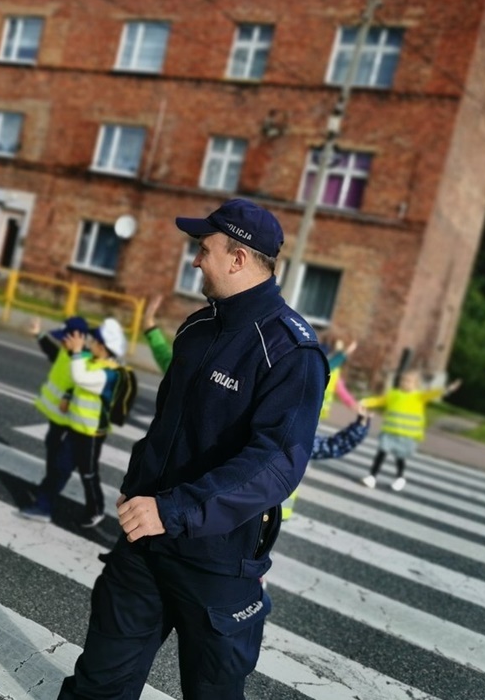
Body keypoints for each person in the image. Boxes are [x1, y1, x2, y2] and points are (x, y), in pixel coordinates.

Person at [58, 198, 328, 699]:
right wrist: (141, 491)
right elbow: (169, 428)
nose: (196, 260)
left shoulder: (292, 352)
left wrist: (176, 509)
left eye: (205, 249)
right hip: (145, 543)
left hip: (217, 561)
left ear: (238, 258)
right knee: (97, 684)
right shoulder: (196, 329)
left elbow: (276, 464)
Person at [143, 293, 367, 521]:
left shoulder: (190, 371)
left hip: (210, 509)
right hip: (250, 519)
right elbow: (332, 445)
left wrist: (150, 326)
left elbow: (164, 354)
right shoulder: (294, 433)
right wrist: (360, 427)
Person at [22, 317, 128, 529]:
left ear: (104, 347)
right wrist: (68, 395)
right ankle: (43, 506)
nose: (90, 344)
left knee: (88, 474)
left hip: (91, 434)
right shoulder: (94, 362)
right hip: (75, 429)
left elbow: (81, 378)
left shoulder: (108, 373)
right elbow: (75, 381)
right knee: (61, 468)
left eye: (95, 342)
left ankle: (96, 509)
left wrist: (78, 350)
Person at [359, 369, 463, 491]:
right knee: (381, 453)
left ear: (416, 384)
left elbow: (434, 393)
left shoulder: (419, 396)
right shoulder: (394, 394)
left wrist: (448, 389)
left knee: (400, 458)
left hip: (407, 436)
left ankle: (400, 477)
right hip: (390, 432)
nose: (405, 383)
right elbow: (380, 400)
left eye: (408, 381)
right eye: (403, 380)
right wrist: (364, 402)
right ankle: (372, 476)